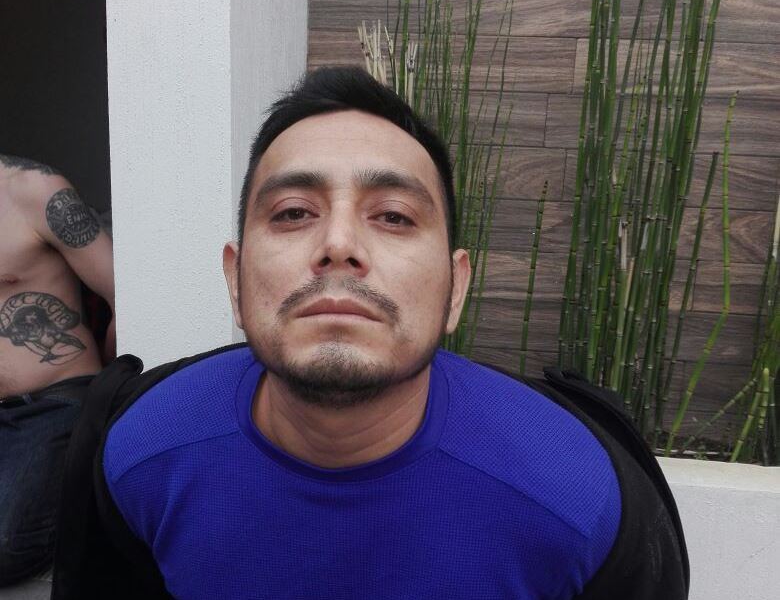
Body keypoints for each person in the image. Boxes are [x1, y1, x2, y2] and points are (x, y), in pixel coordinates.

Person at [99, 67, 685, 599]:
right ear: (235, 279)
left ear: (456, 289)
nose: (338, 245)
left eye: (394, 216)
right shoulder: (140, 456)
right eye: (294, 212)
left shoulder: (579, 500)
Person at [0, 154, 115, 585]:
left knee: (7, 544)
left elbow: (122, 293)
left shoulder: (36, 191)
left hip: (54, 402)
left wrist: (110, 395)